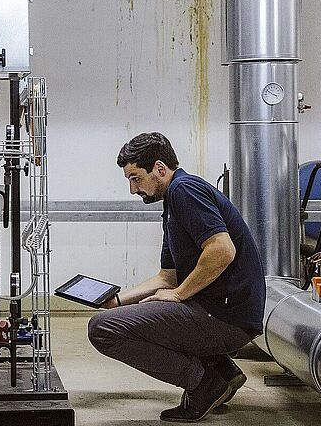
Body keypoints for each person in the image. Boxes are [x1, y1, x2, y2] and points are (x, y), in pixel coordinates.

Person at [87, 132, 266, 423]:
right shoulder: (173, 201)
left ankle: (203, 383)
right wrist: (119, 301)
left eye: (136, 178)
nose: (133, 189)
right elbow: (167, 278)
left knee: (102, 330)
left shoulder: (185, 190)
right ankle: (222, 371)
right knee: (124, 316)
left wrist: (181, 295)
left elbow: (222, 250)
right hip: (219, 312)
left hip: (224, 316)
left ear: (159, 168)